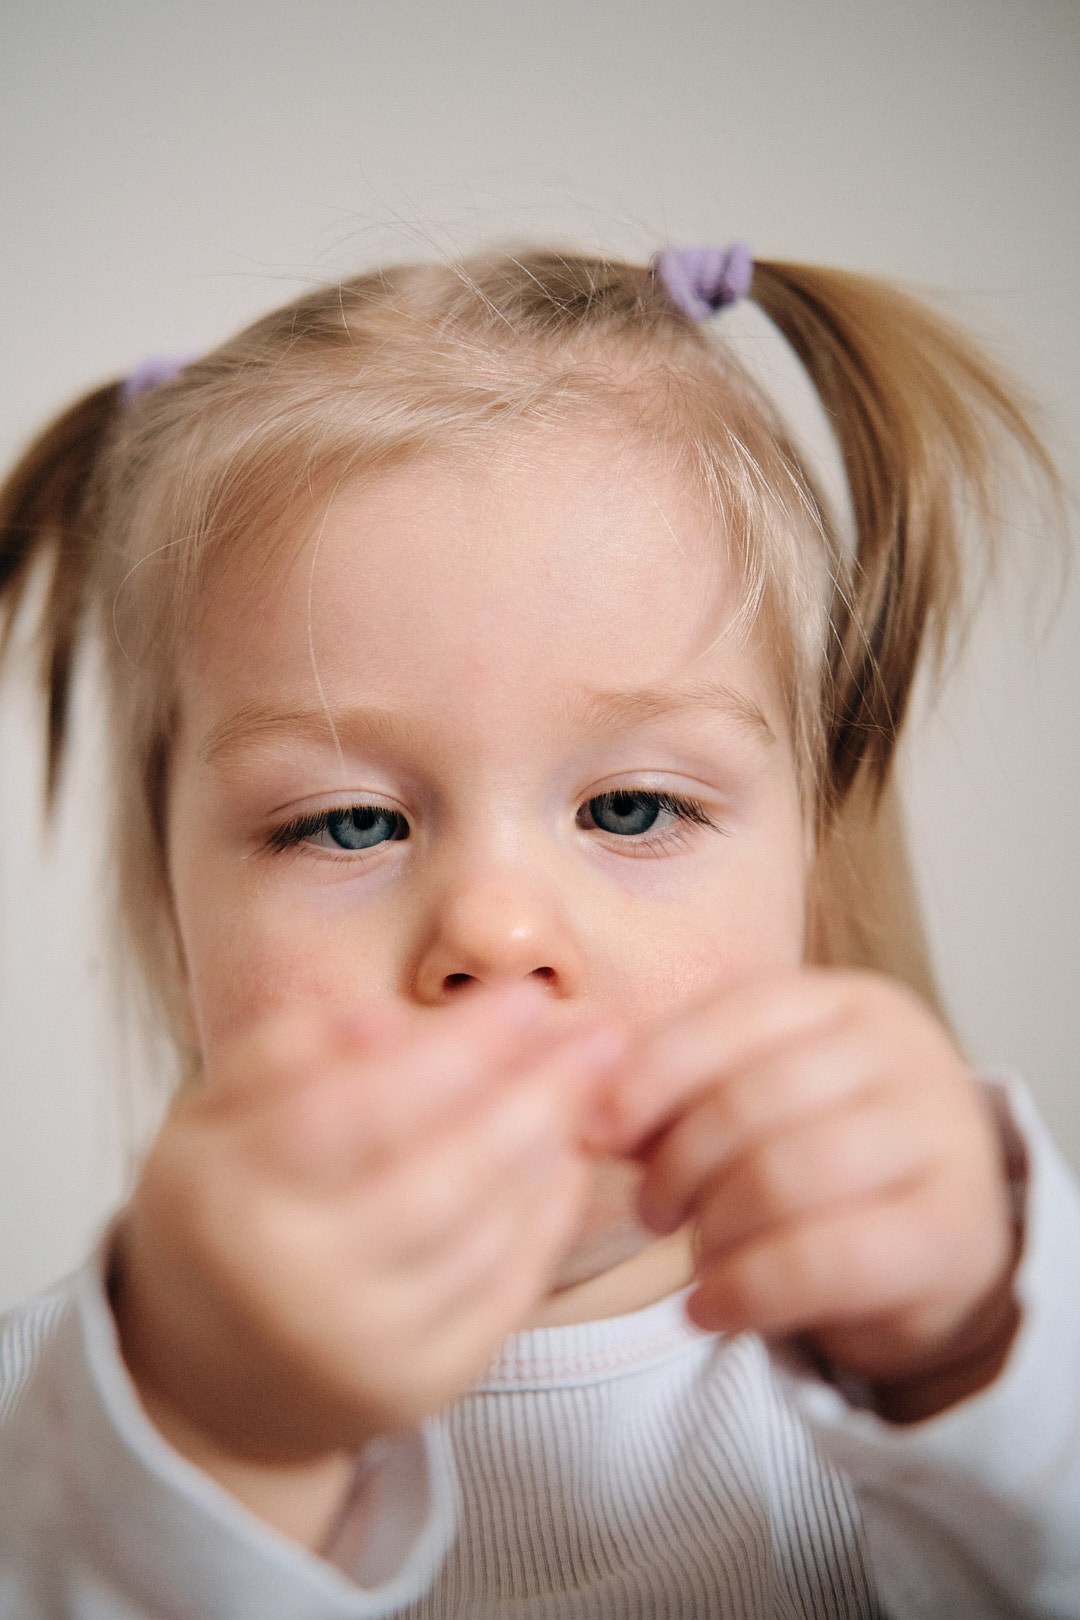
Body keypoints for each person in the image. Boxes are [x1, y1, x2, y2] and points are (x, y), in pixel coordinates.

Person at [0, 241, 1076, 1619]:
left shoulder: (960, 1384)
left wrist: (978, 1349)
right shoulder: (60, 1440)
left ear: (813, 860)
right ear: (172, 895)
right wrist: (209, 1441)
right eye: (348, 824)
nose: (497, 932)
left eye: (631, 807)